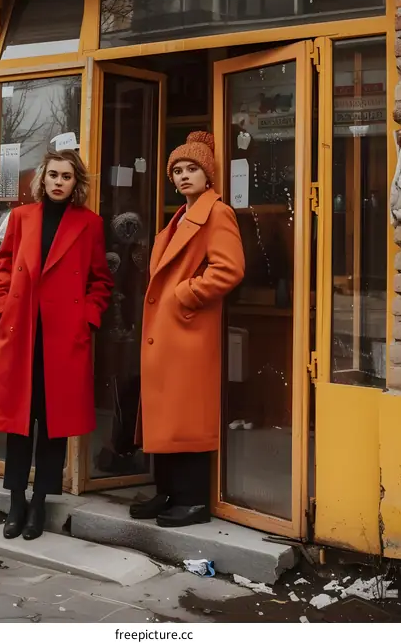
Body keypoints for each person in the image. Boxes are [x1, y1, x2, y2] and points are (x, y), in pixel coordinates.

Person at [0, 147, 113, 540]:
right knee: (19, 423)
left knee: (53, 423)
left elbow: (100, 281)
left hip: (62, 337)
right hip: (21, 331)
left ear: (76, 183)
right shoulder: (22, 218)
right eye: (53, 175)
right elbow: (3, 266)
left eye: (66, 176)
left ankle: (40, 503)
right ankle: (15, 503)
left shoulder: (89, 224)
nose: (58, 182)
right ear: (42, 179)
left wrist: (87, 318)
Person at [131, 131, 245, 528]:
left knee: (186, 416)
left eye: (191, 168)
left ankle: (193, 500)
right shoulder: (180, 216)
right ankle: (167, 492)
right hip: (170, 332)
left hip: (189, 331)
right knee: (166, 413)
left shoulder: (217, 213)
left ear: (208, 173)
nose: (183, 176)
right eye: (177, 170)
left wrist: (186, 295)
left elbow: (229, 268)